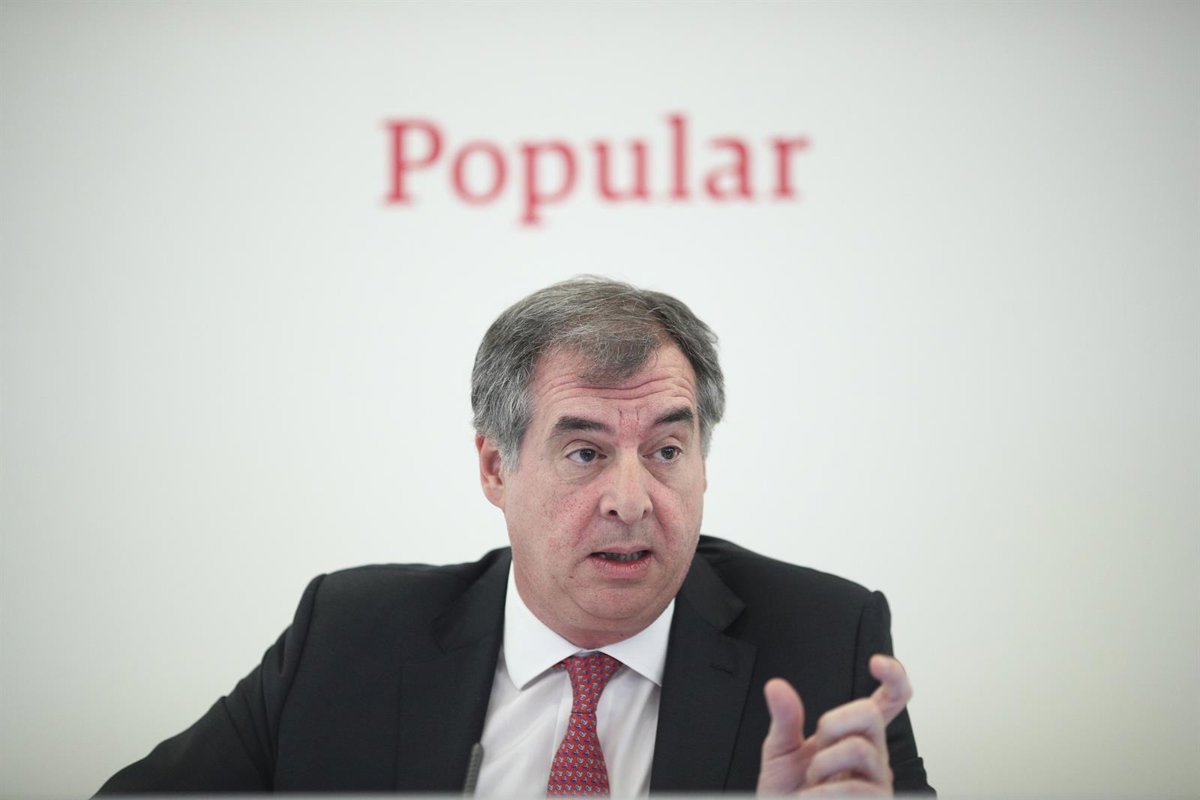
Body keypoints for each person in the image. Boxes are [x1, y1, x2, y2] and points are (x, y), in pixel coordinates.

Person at [97, 277, 932, 795]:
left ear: (703, 465)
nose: (632, 502)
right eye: (585, 453)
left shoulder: (825, 649)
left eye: (667, 451)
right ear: (496, 468)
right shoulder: (348, 637)